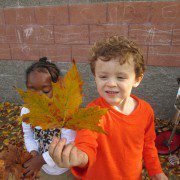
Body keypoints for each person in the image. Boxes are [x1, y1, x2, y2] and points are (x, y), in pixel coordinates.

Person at [49, 36, 168, 180]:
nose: (111, 83)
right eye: (103, 77)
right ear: (95, 78)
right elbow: (86, 143)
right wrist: (80, 157)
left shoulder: (146, 111)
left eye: (121, 77)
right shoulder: (92, 113)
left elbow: (148, 144)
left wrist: (155, 171)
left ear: (137, 79)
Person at [21, 57, 76, 180]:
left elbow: (68, 142)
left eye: (46, 90)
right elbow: (28, 135)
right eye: (32, 89)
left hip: (65, 168)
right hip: (43, 169)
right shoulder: (26, 111)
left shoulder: (64, 113)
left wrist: (41, 159)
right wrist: (34, 153)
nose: (39, 96)